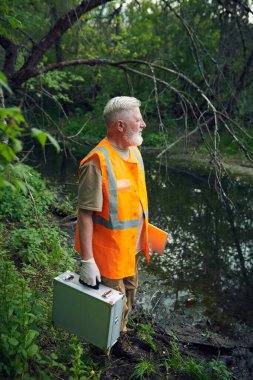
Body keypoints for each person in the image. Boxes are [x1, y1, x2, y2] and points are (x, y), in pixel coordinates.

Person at [74, 96, 150, 336]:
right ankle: (101, 355)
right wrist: (88, 262)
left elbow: (133, 202)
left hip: (132, 249)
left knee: (128, 298)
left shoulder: (134, 151)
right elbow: (85, 215)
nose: (143, 124)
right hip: (109, 256)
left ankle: (121, 336)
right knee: (109, 310)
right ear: (120, 125)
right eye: (138, 119)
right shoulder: (97, 162)